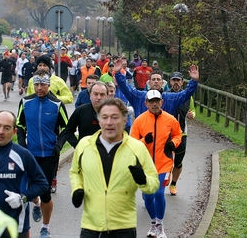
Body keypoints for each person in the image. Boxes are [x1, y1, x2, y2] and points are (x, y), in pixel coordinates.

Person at [69, 98, 159, 237]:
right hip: (91, 226)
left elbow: (153, 184)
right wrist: (77, 189)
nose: (109, 122)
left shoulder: (137, 148)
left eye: (115, 117)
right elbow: (75, 172)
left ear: (124, 121)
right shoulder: (84, 145)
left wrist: (143, 181)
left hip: (123, 227)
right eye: (104, 117)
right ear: (99, 121)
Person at [17, 69, 69, 238]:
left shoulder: (56, 105)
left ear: (49, 85)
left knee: (45, 192)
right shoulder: (25, 102)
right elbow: (20, 125)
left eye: (43, 84)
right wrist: (22, 145)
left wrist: (58, 146)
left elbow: (67, 128)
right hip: (30, 153)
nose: (40, 88)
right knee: (30, 189)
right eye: (37, 84)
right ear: (33, 85)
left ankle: (45, 227)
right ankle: (36, 203)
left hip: (49, 154)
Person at [130, 90, 182, 238]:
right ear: (145, 103)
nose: (154, 104)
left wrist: (174, 142)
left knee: (159, 193)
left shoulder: (170, 120)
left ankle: (160, 225)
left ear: (162, 102)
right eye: (151, 101)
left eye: (157, 101)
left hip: (164, 163)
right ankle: (153, 223)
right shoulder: (140, 121)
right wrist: (144, 141)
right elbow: (131, 143)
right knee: (147, 196)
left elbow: (178, 134)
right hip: (145, 165)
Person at [114, 59, 199, 118]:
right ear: (149, 82)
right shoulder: (139, 96)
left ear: (162, 83)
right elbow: (126, 88)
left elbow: (186, 94)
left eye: (158, 79)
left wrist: (194, 81)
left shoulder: (169, 98)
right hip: (143, 139)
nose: (156, 81)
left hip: (164, 139)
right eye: (153, 79)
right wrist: (118, 73)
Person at [167, 72, 196, 196]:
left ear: (182, 82)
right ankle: (162, 180)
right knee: (165, 161)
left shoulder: (188, 97)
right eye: (173, 80)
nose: (176, 83)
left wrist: (192, 115)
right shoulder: (165, 95)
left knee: (178, 162)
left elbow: (193, 111)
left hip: (182, 134)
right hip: (167, 134)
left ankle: (173, 184)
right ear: (170, 82)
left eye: (178, 80)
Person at [58, 81, 108, 149]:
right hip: (85, 153)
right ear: (90, 95)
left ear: (107, 96)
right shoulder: (81, 111)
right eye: (95, 94)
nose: (98, 97)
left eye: (102, 94)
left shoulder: (112, 113)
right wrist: (78, 146)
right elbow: (68, 131)